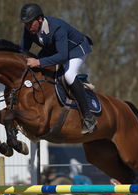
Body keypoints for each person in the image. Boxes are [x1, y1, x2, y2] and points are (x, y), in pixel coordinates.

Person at [19, 3, 97, 134]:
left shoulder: (57, 27)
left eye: (29, 23)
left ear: (40, 19)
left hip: (77, 49)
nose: (27, 27)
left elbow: (62, 56)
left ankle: (89, 117)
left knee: (69, 75)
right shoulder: (30, 29)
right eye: (25, 24)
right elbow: (22, 51)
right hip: (55, 49)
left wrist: (38, 61)